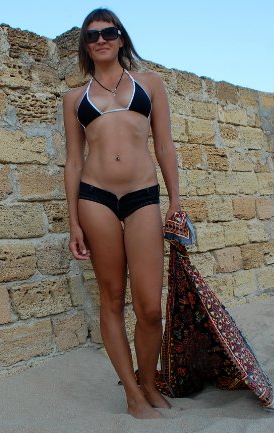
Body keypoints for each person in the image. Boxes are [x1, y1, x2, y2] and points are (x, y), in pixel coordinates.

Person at [62, 8, 181, 419]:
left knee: (149, 306)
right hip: (95, 199)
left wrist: (175, 201)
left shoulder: (150, 85)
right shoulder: (74, 99)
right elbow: (73, 162)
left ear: (121, 38)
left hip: (142, 196)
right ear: (85, 44)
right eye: (92, 35)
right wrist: (73, 223)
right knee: (111, 299)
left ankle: (148, 382)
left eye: (109, 32)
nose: (101, 39)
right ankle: (132, 395)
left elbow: (164, 145)